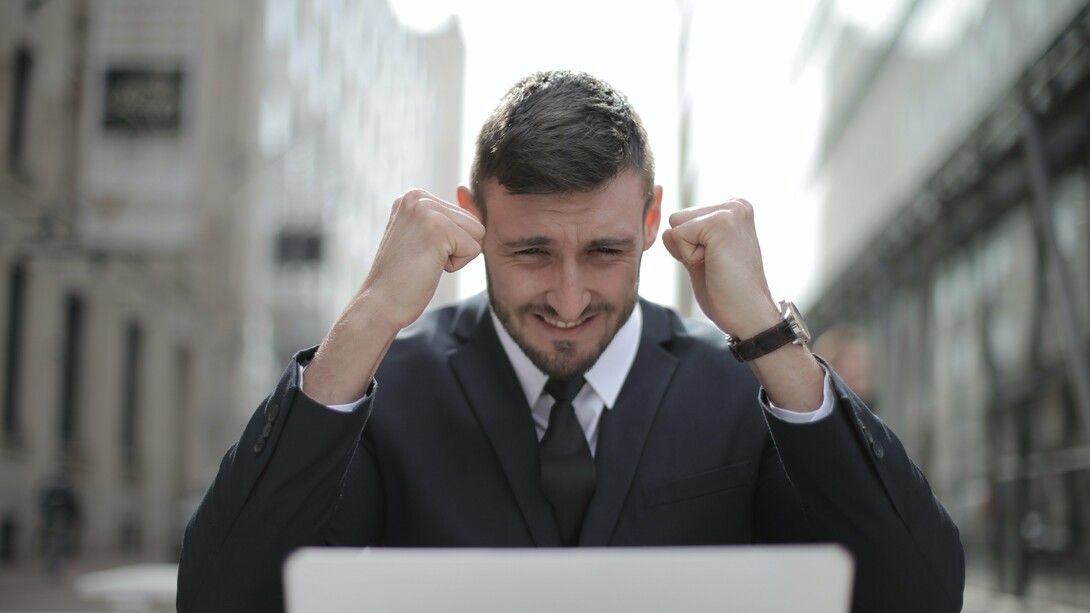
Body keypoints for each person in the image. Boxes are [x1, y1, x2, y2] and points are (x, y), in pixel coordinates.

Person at [177, 71, 964, 612]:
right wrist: (367, 318)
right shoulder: (390, 390)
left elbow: (919, 592)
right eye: (530, 252)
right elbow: (223, 598)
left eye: (604, 252)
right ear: (471, 219)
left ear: (652, 223)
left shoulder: (742, 391)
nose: (567, 296)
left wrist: (771, 336)